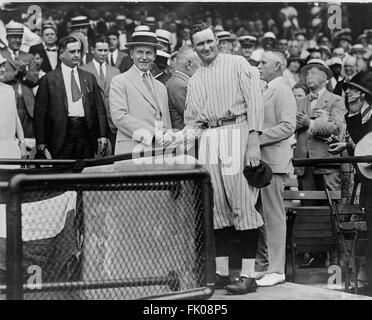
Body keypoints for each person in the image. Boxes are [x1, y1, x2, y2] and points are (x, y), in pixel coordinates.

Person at [181, 23, 264, 295]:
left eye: (209, 41)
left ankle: (248, 276)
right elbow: (192, 122)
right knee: (216, 208)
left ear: (217, 40)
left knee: (242, 204)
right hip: (208, 137)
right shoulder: (194, 78)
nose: (206, 47)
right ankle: (221, 272)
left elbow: (255, 102)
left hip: (236, 130)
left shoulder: (238, 63)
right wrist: (168, 141)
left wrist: (253, 140)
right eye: (200, 44)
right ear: (193, 47)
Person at [254, 51, 297, 286]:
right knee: (260, 216)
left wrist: (255, 138)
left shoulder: (282, 89)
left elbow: (288, 126)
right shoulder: (268, 88)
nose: (259, 66)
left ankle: (277, 269)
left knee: (273, 216)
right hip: (262, 163)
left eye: (263, 63)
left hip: (274, 163)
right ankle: (264, 265)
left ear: (278, 66)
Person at [328, 71, 372, 296]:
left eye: (352, 90)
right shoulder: (356, 116)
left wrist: (350, 144)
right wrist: (345, 145)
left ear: (362, 94)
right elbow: (361, 145)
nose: (348, 94)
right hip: (366, 180)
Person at [34, 36, 108, 159]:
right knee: (63, 172)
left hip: (86, 131)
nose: (77, 55)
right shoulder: (49, 79)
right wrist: (41, 141)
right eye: (72, 52)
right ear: (61, 54)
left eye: (78, 51)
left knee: (84, 171)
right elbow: (39, 113)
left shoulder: (88, 77)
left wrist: (102, 135)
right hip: (61, 132)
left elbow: (100, 108)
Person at [109, 31, 172, 156]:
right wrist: (153, 134)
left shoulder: (161, 87)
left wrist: (168, 135)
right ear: (131, 54)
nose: (144, 57)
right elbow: (119, 117)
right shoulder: (119, 81)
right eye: (140, 52)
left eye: (148, 53)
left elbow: (166, 122)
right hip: (131, 151)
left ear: (154, 56)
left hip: (159, 152)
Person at [80, 35, 120, 155]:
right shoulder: (83, 70)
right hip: (93, 123)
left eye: (106, 50)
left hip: (113, 123)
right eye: (100, 50)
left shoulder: (115, 71)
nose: (103, 54)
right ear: (92, 50)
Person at [0, 22, 39, 139]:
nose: (17, 40)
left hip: (27, 105)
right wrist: (15, 74)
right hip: (7, 102)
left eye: (20, 38)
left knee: (28, 140)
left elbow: (35, 80)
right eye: (14, 37)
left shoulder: (29, 57)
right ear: (7, 38)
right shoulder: (1, 55)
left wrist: (24, 74)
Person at [166, 45, 201, 130]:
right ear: (188, 65)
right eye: (200, 64)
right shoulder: (179, 86)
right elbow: (197, 116)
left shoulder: (179, 83)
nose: (202, 68)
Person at [0, 53, 26, 166]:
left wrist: (22, 143)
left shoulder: (9, 90)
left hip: (11, 148)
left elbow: (15, 118)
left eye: (3, 66)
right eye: (0, 66)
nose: (3, 69)